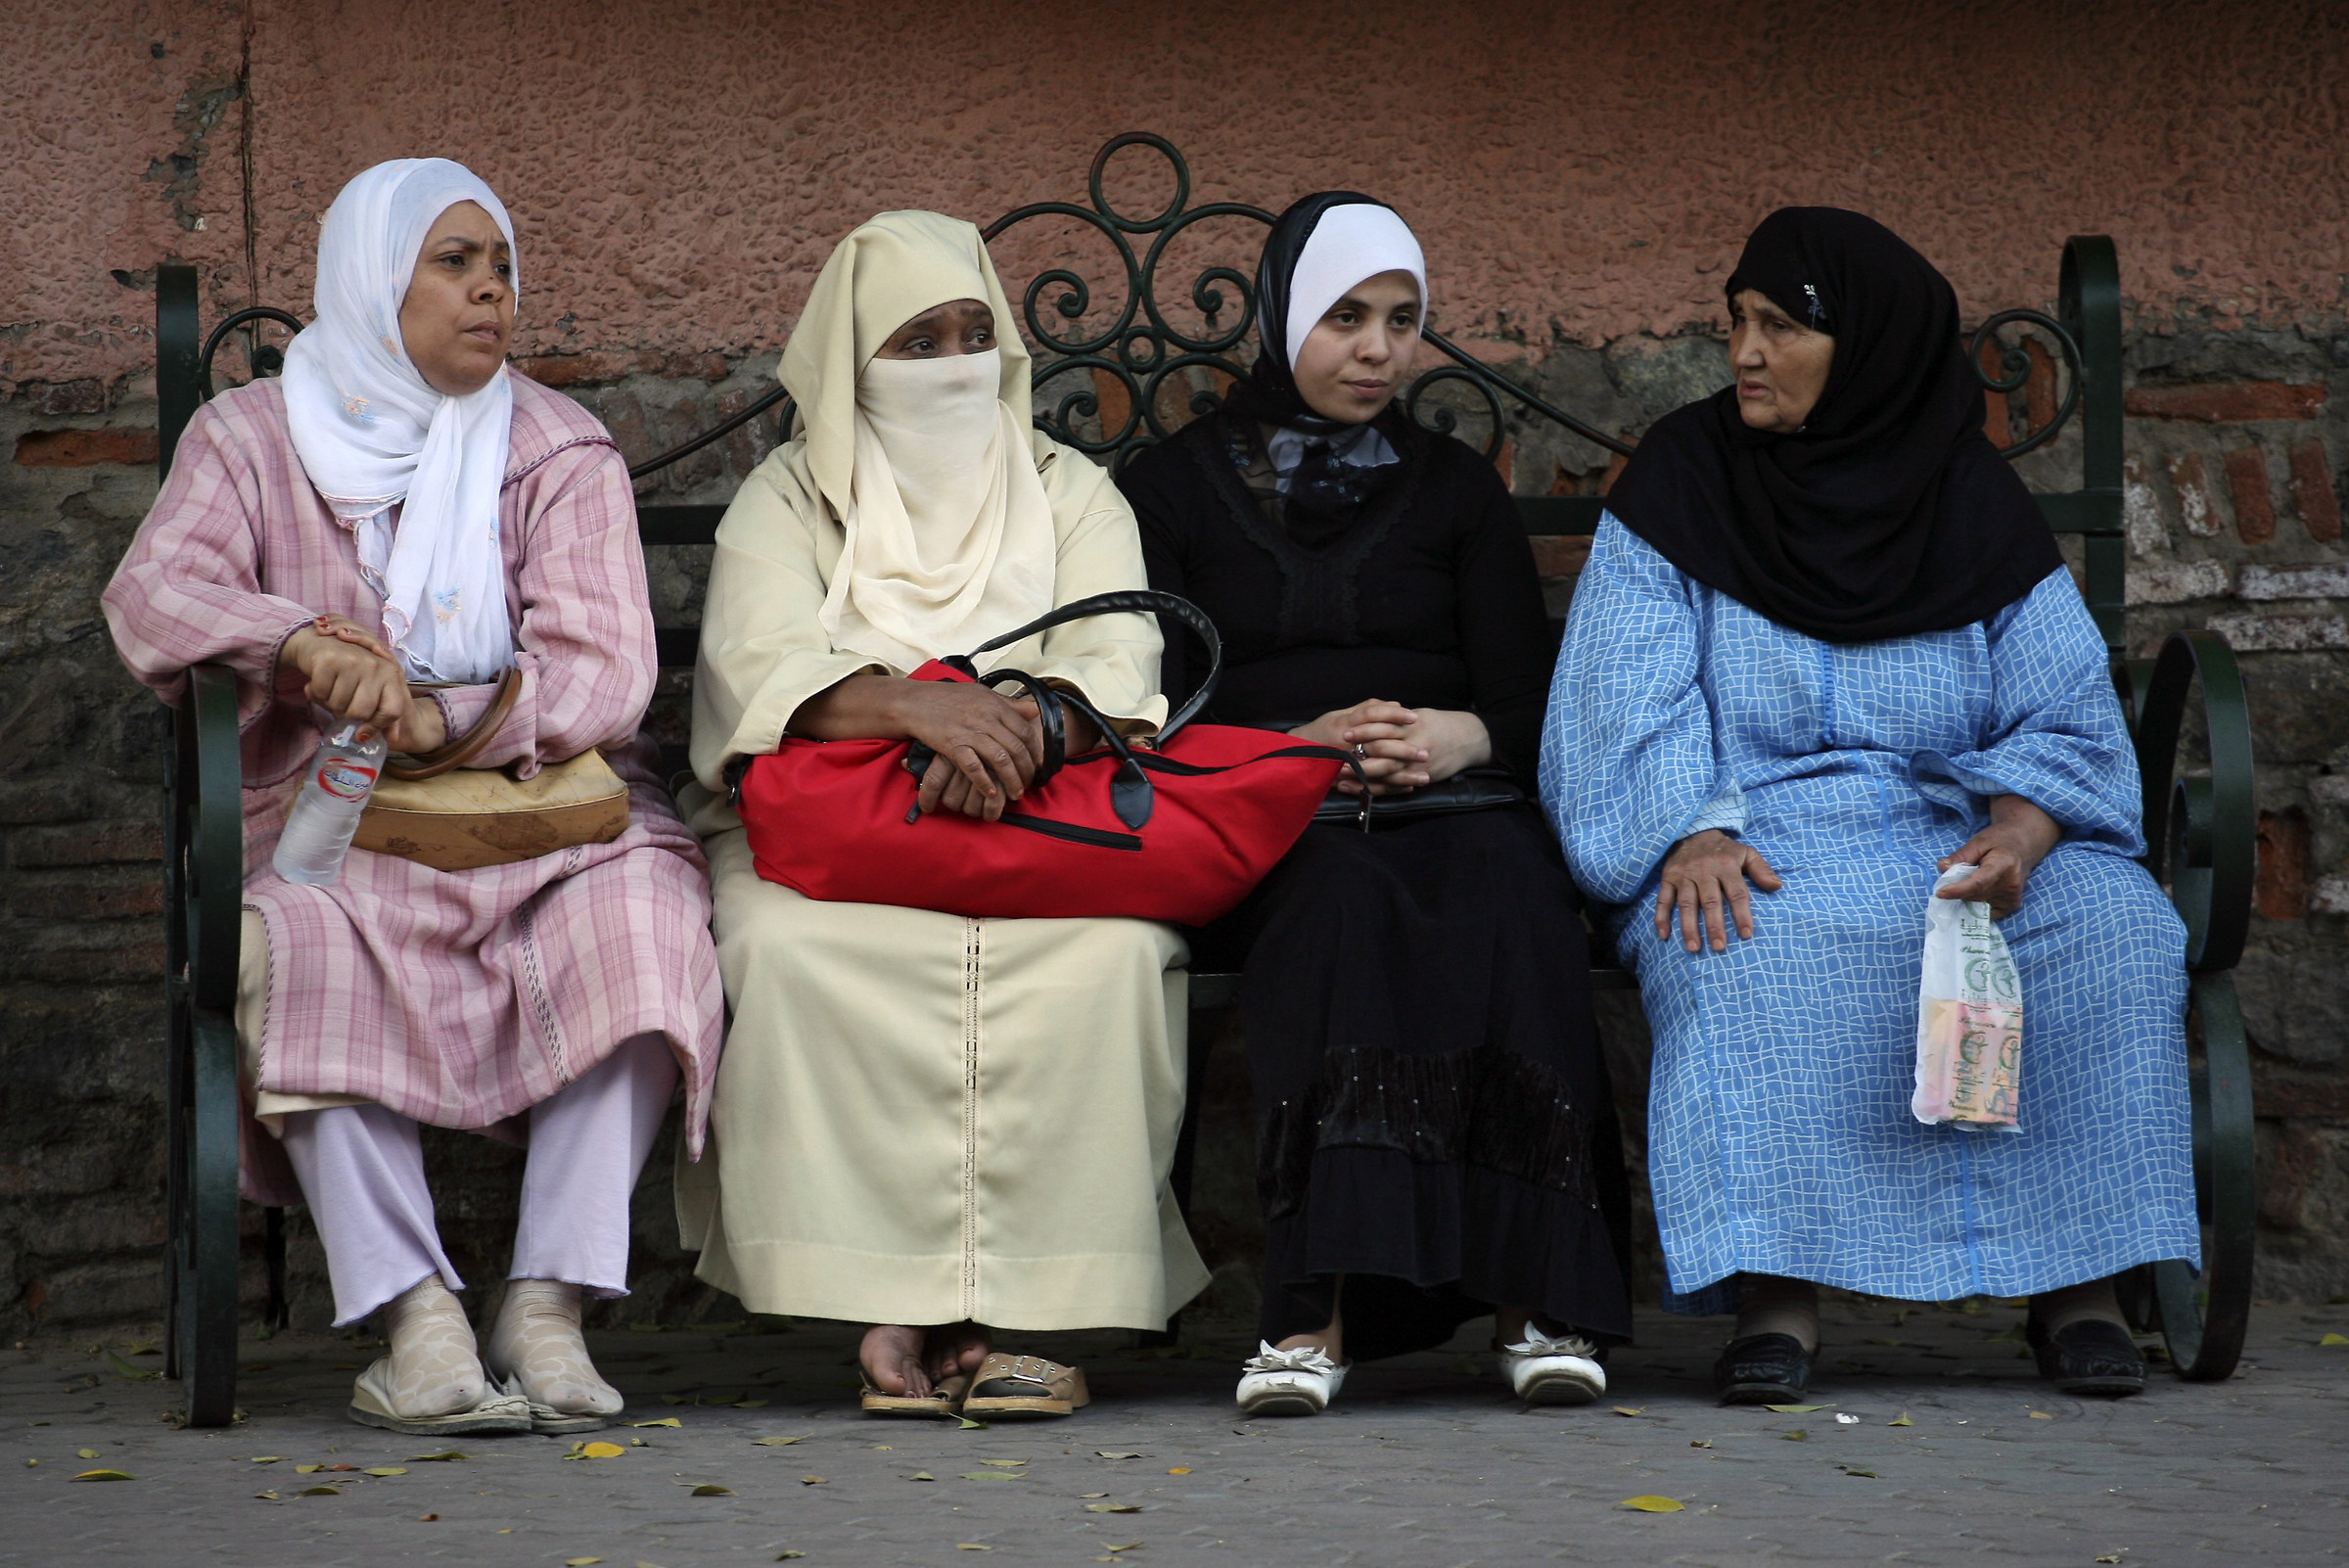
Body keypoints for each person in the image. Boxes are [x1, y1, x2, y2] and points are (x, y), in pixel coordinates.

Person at [103, 159, 722, 1436]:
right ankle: (416, 1320)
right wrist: (298, 644)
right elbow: (150, 595)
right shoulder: (250, 440)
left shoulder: (554, 443)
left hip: (541, 813)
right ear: (374, 276)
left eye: (499, 265)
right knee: (294, 938)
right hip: (326, 818)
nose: (489, 289)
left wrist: (451, 713)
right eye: (454, 262)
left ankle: (545, 1306)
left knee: (649, 927)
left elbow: (609, 664)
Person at [1543, 207, 2198, 1404]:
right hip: (1761, 828)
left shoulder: (1969, 496)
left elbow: (2065, 712)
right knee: (1738, 937)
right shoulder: (1684, 483)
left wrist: (2024, 827)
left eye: (1781, 327)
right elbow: (1618, 702)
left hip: (1966, 827)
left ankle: (2082, 1285)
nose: (1744, 351)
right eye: (1736, 322)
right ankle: (1777, 1295)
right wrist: (1689, 825)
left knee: (2114, 927)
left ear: (1873, 350)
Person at [677, 209, 1207, 1419]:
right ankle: (894, 1297)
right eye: (918, 342)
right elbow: (758, 667)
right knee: (777, 947)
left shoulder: (1073, 491)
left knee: (1112, 958)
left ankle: (1038, 1317)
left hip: (1044, 814)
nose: (956, 364)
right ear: (854, 362)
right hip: (838, 832)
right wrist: (922, 716)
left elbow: (1119, 663)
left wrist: (1006, 735)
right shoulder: (789, 500)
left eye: (978, 335)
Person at [1116, 193, 1632, 1417]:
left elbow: (1526, 697)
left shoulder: (1455, 491)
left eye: (1403, 322)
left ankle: (1537, 1306)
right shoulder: (1173, 489)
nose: (1378, 350)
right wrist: (1292, 749)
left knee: (1515, 900)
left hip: (1457, 804)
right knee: (1342, 910)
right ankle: (1310, 1318)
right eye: (1347, 317)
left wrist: (1459, 740)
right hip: (1269, 816)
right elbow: (1151, 700)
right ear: (1286, 316)